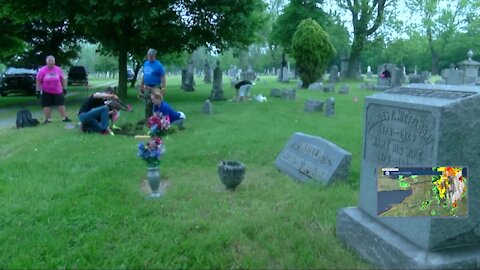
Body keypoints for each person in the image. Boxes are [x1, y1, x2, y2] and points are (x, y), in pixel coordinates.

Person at [36, 55, 72, 123]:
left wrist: (64, 88)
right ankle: (48, 119)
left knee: (61, 104)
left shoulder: (58, 69)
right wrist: (37, 90)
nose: (51, 63)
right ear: (46, 62)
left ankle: (64, 118)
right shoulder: (42, 70)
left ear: (54, 62)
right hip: (46, 91)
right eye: (49, 61)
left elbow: (62, 79)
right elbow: (38, 80)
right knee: (47, 105)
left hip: (58, 91)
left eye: (52, 61)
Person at [140, 48, 166, 121]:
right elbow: (144, 75)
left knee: (155, 102)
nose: (150, 57)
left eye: (151, 55)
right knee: (147, 103)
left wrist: (163, 88)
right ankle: (148, 120)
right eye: (148, 55)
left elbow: (163, 77)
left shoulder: (158, 65)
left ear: (154, 55)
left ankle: (157, 119)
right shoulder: (146, 63)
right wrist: (141, 84)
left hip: (155, 86)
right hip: (147, 86)